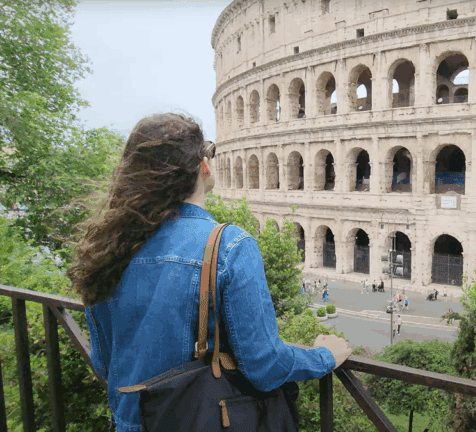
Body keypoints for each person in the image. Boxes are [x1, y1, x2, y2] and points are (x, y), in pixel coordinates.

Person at [66, 114, 352, 432]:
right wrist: (325, 355)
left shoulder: (107, 248)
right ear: (203, 165)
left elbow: (104, 363)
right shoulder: (230, 244)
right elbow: (266, 365)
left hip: (129, 423)